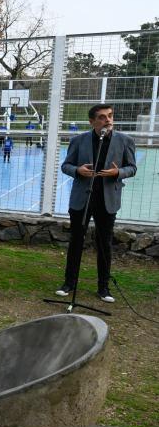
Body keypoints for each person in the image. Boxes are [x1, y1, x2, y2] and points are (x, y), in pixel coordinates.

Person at [55, 104, 137, 303]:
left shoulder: (125, 141)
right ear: (92, 121)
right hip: (82, 198)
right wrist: (78, 171)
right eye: (102, 117)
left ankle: (104, 288)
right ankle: (69, 284)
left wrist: (118, 173)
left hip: (107, 200)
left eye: (110, 116)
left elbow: (132, 168)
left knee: (104, 244)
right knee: (76, 241)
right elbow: (66, 165)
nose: (107, 120)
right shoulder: (78, 140)